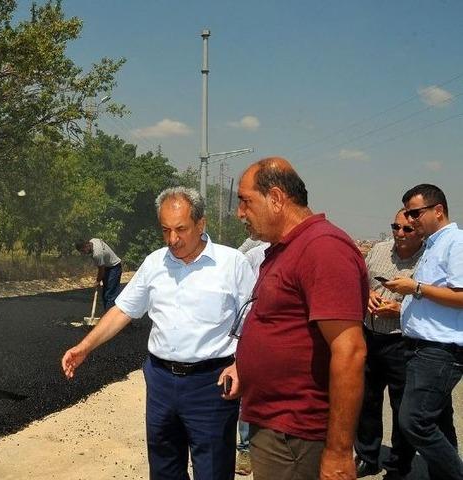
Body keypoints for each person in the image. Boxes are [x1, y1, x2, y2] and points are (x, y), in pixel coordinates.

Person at [62, 187, 255, 480]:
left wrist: (241, 364)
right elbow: (122, 310)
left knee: (213, 470)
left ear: (201, 224)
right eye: (166, 230)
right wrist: (84, 347)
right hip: (161, 381)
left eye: (181, 229)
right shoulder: (155, 263)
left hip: (211, 385)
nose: (173, 239)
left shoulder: (232, 264)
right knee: (165, 468)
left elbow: (254, 322)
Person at [234, 157, 368, 480]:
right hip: (276, 428)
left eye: (245, 201)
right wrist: (244, 368)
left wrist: (337, 452)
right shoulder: (287, 248)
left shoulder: (322, 248)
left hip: (295, 436)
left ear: (277, 199)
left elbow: (350, 351)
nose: (240, 213)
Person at [383, 184, 463, 480]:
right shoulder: (433, 245)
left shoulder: (456, 242)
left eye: (415, 213)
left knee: (414, 421)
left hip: (439, 350)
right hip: (419, 347)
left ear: (438, 211)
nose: (411, 220)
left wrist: (414, 288)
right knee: (438, 422)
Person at [353, 210, 422, 479]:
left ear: (420, 232)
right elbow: (360, 282)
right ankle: (367, 456)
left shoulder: (427, 258)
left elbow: (430, 298)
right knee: (366, 400)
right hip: (369, 334)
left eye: (407, 229)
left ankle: (398, 465)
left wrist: (401, 308)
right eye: (396, 227)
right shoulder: (378, 250)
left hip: (402, 340)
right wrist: (367, 293)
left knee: (401, 407)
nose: (400, 234)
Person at [234, 239, 269, 476]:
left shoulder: (302, 253)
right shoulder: (256, 254)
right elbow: (243, 297)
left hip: (282, 337)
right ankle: (245, 449)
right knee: (248, 393)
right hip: (252, 332)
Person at [75, 238, 123, 311]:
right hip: (108, 268)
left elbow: (101, 269)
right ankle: (110, 316)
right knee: (105, 294)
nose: (83, 253)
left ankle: (113, 319)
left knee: (110, 295)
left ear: (87, 245)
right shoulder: (93, 240)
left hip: (114, 268)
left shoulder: (97, 254)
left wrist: (98, 281)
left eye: (83, 250)